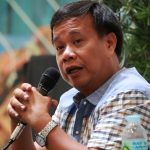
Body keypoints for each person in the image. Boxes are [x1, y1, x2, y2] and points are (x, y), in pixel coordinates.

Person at [7, 0, 150, 150]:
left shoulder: (131, 93)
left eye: (77, 41)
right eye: (60, 47)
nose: (66, 54)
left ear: (109, 43)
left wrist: (42, 121)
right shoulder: (68, 100)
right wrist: (20, 118)